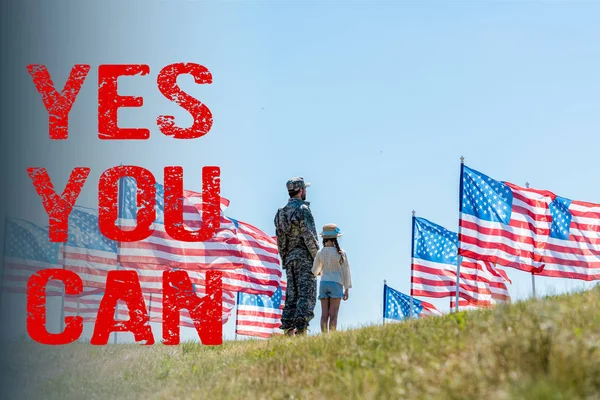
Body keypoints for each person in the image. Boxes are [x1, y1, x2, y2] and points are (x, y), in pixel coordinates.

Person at [274, 177, 319, 336]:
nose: (306, 191)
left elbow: (280, 239)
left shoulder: (280, 212)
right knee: (306, 295)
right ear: (300, 190)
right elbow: (309, 236)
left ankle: (287, 330)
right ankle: (301, 331)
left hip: (290, 258)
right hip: (305, 258)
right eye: (305, 189)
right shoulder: (303, 210)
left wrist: (285, 259)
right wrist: (318, 260)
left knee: (292, 295)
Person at [311, 223, 352, 333]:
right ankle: (332, 336)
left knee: (324, 315)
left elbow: (314, 271)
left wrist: (320, 272)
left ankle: (324, 338)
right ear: (336, 237)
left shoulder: (320, 253)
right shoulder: (341, 253)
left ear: (323, 238)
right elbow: (346, 271)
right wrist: (347, 288)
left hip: (324, 283)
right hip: (336, 283)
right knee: (333, 315)